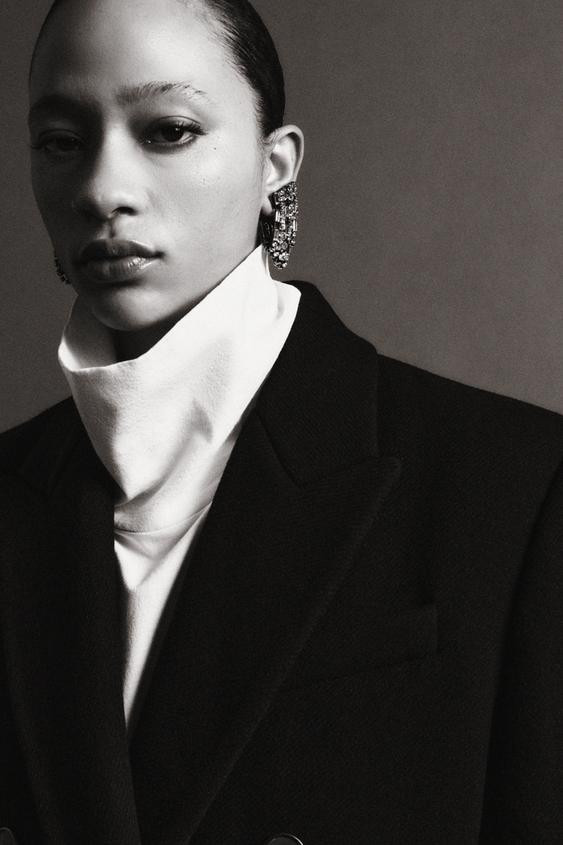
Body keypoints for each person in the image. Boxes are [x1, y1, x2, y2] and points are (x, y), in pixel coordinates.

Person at [0, 0, 562, 842]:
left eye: (169, 130)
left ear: (276, 165)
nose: (103, 189)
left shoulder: (518, 485)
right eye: (60, 141)